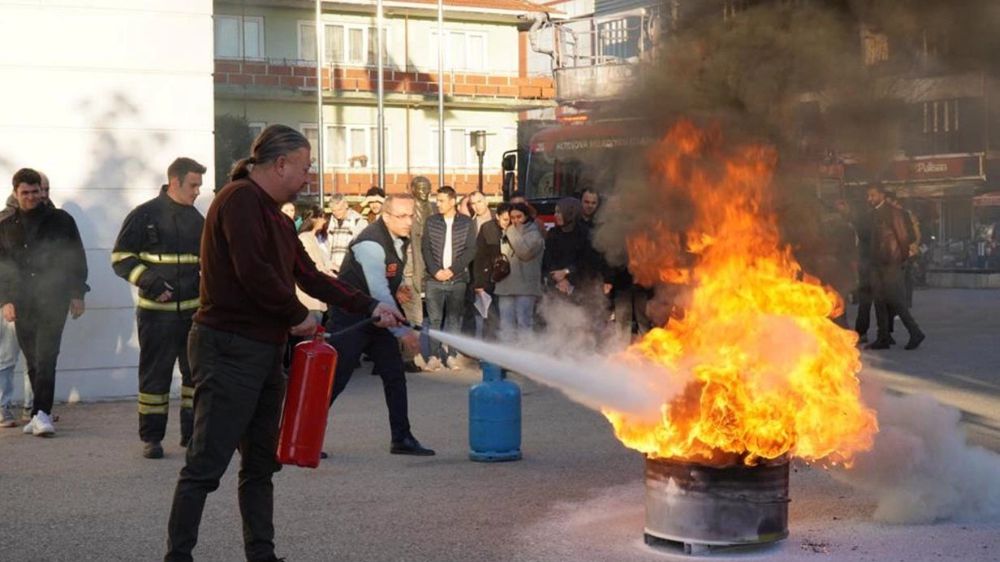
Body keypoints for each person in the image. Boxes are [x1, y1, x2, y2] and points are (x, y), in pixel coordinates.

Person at [164, 125, 402, 562]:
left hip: (261, 349)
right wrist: (298, 316)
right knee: (205, 465)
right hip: (229, 346)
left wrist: (370, 307)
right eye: (305, 167)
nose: (309, 177)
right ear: (280, 164)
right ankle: (177, 557)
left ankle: (262, 554)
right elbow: (253, 270)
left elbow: (308, 274)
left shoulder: (273, 213)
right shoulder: (239, 201)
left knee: (260, 465)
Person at [325, 193, 435, 456]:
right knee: (335, 381)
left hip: (377, 317)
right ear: (385, 216)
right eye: (402, 216)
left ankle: (401, 438)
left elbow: (384, 286)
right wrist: (403, 331)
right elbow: (378, 291)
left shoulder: (399, 238)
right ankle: (302, 437)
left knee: (394, 375)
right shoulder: (370, 243)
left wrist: (398, 293)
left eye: (412, 215)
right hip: (352, 318)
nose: (409, 222)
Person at [112, 157, 206, 459]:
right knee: (156, 378)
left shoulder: (196, 219)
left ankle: (191, 436)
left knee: (195, 378)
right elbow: (121, 259)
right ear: (174, 182)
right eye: (193, 185)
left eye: (199, 186)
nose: (197, 192)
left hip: (193, 316)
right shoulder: (144, 215)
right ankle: (151, 438)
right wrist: (151, 284)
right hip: (156, 316)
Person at [0, 168, 88, 437]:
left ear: (42, 190)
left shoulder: (61, 220)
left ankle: (42, 414)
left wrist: (78, 294)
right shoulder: (5, 226)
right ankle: (39, 413)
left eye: (35, 191)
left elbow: (76, 256)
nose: (31, 197)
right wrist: (5, 301)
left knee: (47, 355)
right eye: (25, 193)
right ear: (16, 193)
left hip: (54, 297)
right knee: (33, 359)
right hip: (22, 301)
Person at [422, 186, 477, 370]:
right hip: (434, 279)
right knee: (434, 319)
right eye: (437, 200)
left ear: (453, 201)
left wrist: (453, 270)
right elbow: (426, 249)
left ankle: (452, 355)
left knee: (454, 320)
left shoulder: (467, 223)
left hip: (457, 279)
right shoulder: (431, 222)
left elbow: (470, 250)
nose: (438, 204)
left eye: (442, 200)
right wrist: (435, 270)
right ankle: (434, 356)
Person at [864, 184, 925, 350]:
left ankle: (915, 332)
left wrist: (900, 259)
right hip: (877, 264)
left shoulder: (894, 213)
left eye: (873, 195)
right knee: (879, 301)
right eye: (868, 196)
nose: (869, 199)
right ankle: (883, 337)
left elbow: (904, 237)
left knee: (896, 301)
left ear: (882, 195)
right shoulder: (873, 213)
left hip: (891, 264)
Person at [494, 203, 545, 342]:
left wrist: (510, 231)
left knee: (524, 324)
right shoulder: (507, 233)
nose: (515, 221)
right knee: (506, 325)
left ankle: (524, 355)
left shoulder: (535, 234)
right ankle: (507, 356)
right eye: (512, 218)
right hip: (505, 285)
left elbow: (524, 252)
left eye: (519, 217)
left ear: (526, 216)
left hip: (525, 287)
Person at [472, 203, 510, 340]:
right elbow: (479, 257)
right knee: (490, 317)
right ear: (498, 216)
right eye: (505, 220)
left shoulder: (514, 229)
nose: (508, 223)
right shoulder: (488, 229)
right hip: (489, 279)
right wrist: (478, 283)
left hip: (506, 282)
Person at [296, 206, 334, 318]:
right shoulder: (305, 238)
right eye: (322, 217)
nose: (324, 221)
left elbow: (323, 262)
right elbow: (314, 265)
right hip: (309, 299)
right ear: (314, 219)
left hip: (317, 295)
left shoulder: (314, 238)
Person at [326, 193, 366, 275]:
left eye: (339, 209)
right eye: (333, 210)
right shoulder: (329, 222)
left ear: (346, 206)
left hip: (351, 270)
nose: (336, 213)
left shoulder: (358, 221)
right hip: (332, 270)